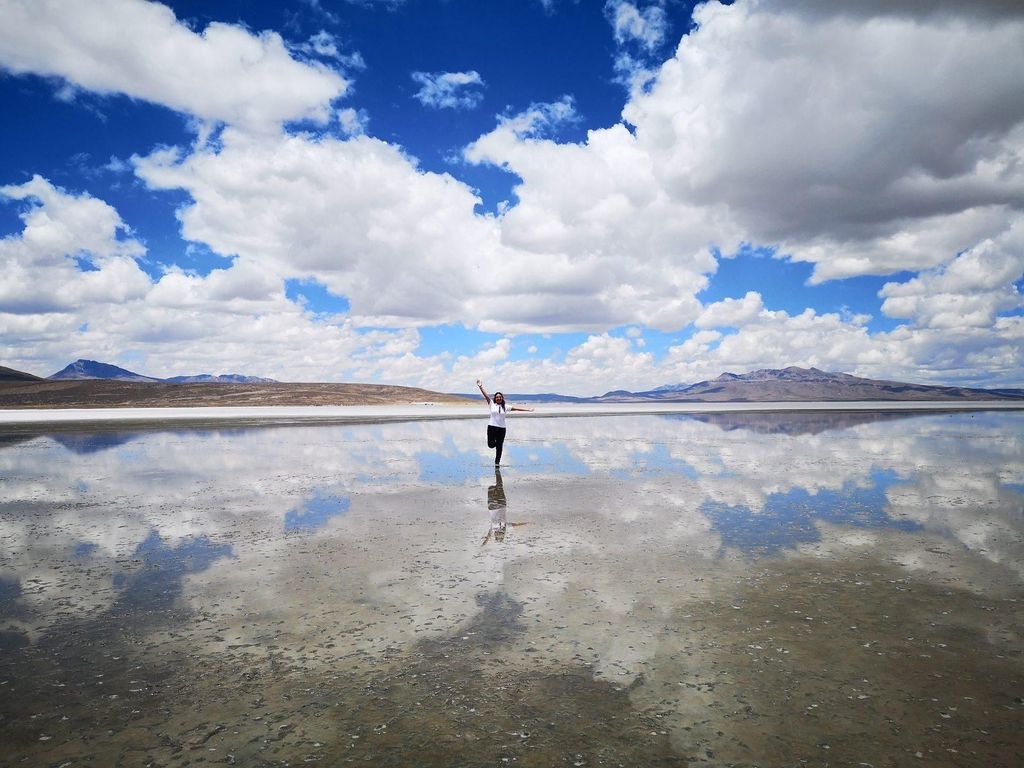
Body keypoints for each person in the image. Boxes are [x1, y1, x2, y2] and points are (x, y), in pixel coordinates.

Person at [475, 379, 533, 465]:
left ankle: (497, 463)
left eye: (500, 397)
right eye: (497, 397)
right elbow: (486, 396)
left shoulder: (506, 406)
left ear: (502, 398)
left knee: (499, 446)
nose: (499, 398)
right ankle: (497, 444)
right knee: (490, 445)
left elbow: (516, 408)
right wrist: (480, 387)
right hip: (491, 427)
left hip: (502, 429)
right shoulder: (491, 404)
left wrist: (528, 410)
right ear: (495, 398)